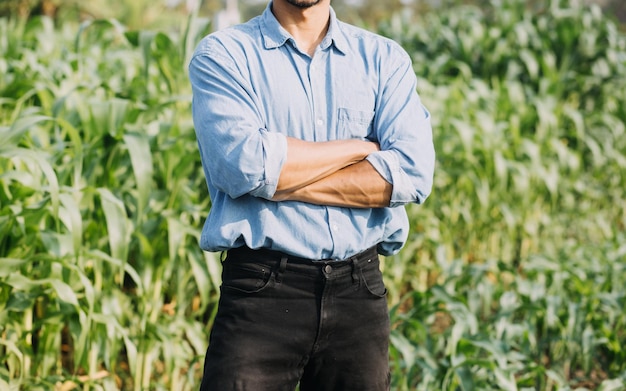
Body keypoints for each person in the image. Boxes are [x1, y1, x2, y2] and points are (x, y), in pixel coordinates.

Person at [188, 0, 435, 389]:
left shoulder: (384, 59)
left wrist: (278, 177)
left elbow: (412, 174)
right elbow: (243, 167)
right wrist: (358, 147)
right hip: (261, 289)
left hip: (359, 291)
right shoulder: (225, 54)